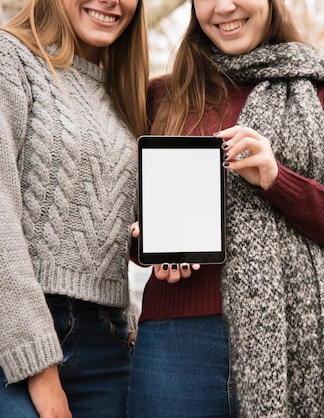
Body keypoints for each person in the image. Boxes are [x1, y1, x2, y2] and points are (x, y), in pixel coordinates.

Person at [126, 0, 324, 417]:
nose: (224, 7)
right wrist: (146, 244)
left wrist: (277, 180)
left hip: (297, 342)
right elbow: (125, 219)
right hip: (175, 345)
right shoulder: (161, 96)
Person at [0, 0, 149, 417]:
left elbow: (101, 227)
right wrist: (40, 369)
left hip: (108, 342)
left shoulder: (124, 93)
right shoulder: (9, 59)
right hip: (15, 337)